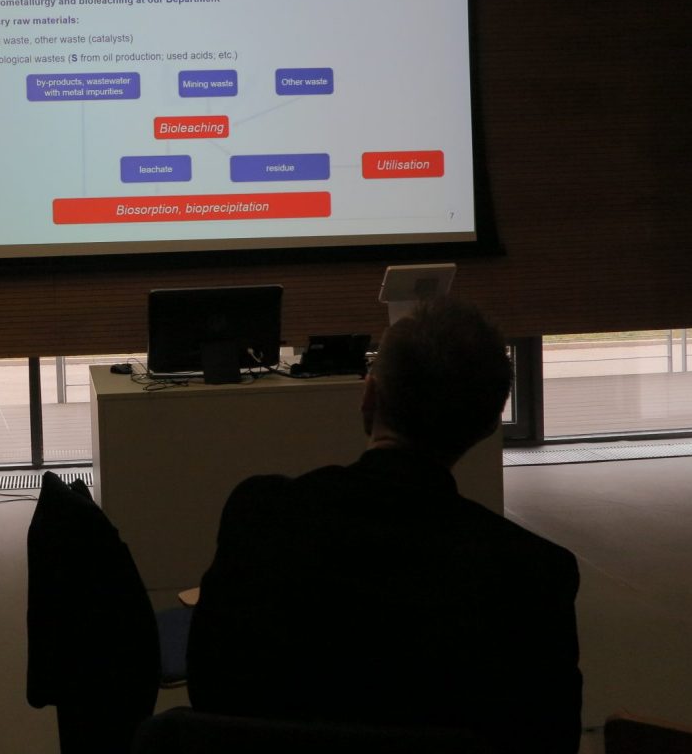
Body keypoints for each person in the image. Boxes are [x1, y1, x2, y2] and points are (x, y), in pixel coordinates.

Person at [185, 297, 581, 753]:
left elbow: (210, 692)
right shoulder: (534, 574)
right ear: (490, 425)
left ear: (369, 396)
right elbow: (550, 738)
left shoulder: (261, 514)